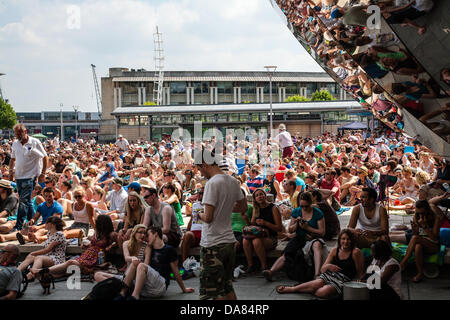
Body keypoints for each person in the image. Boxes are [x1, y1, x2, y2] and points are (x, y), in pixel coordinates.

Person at [196, 148, 247, 300]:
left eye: (199, 168)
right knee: (227, 286)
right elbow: (243, 207)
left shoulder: (212, 183)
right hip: (229, 242)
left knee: (212, 293)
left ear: (205, 164)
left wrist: (198, 213)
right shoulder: (233, 181)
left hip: (213, 244)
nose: (200, 173)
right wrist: (225, 207)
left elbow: (208, 217)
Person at [95, 226, 195, 300]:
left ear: (155, 234)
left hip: (159, 285)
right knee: (98, 274)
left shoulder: (169, 250)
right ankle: (123, 292)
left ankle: (133, 296)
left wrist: (184, 289)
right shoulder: (149, 248)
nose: (145, 237)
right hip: (144, 286)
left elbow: (176, 272)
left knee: (141, 265)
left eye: (147, 235)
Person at [275, 229, 365, 299]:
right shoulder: (335, 250)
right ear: (340, 240)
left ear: (352, 240)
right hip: (329, 275)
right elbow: (323, 269)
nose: (345, 242)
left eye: (348, 239)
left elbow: (360, 273)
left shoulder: (355, 252)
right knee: (319, 282)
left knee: (322, 292)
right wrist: (329, 266)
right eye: (343, 239)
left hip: (343, 280)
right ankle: (292, 289)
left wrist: (357, 283)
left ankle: (304, 288)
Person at [263, 192, 326, 281]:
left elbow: (322, 232)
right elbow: (290, 229)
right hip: (299, 237)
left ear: (311, 203)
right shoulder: (297, 211)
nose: (304, 208)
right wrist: (297, 223)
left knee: (317, 246)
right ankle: (271, 271)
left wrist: (308, 228)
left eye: (306, 206)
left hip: (313, 238)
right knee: (287, 253)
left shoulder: (317, 213)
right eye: (302, 206)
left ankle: (317, 273)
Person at [33, 215, 117, 276]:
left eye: (97, 222)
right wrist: (85, 244)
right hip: (87, 254)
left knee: (70, 262)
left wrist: (111, 246)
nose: (96, 223)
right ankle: (46, 272)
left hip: (95, 259)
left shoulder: (111, 234)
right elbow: (91, 240)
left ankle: (41, 271)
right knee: (70, 264)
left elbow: (116, 242)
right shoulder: (97, 233)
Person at [9, 123, 48, 231]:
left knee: (23, 201)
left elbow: (45, 157)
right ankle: (32, 222)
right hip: (19, 176)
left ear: (25, 132)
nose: (17, 136)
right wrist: (10, 172)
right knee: (27, 201)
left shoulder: (35, 142)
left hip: (31, 176)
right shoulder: (15, 144)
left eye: (19, 133)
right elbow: (12, 159)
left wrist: (43, 173)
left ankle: (18, 225)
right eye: (16, 134)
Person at [399, 200, 440, 282]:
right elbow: (416, 234)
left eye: (422, 213)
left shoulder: (435, 218)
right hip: (421, 242)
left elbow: (434, 239)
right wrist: (415, 229)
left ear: (427, 210)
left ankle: (402, 264)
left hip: (433, 245)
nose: (420, 215)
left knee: (415, 238)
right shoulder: (416, 216)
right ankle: (420, 273)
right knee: (418, 247)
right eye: (418, 213)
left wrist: (425, 226)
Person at [242, 189, 282, 274]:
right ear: (255, 199)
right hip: (258, 235)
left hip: (271, 237)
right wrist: (246, 220)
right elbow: (252, 224)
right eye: (257, 195)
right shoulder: (256, 208)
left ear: (265, 196)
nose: (259, 197)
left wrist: (265, 223)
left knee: (256, 241)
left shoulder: (273, 208)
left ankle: (264, 266)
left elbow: (279, 228)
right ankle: (250, 265)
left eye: (261, 194)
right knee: (245, 240)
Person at [18, 216, 66, 280]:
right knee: (30, 257)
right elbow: (44, 243)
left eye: (46, 223)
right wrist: (34, 239)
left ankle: (31, 275)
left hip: (57, 259)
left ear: (52, 225)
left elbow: (47, 249)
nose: (45, 225)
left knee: (39, 257)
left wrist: (33, 253)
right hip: (48, 256)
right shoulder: (49, 233)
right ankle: (16, 271)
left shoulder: (59, 234)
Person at [180, 188, 204, 263]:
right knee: (187, 235)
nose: (198, 195)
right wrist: (186, 231)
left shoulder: (211, 206)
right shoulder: (195, 205)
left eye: (201, 193)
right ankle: (185, 264)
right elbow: (191, 220)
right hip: (193, 234)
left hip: (204, 233)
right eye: (198, 193)